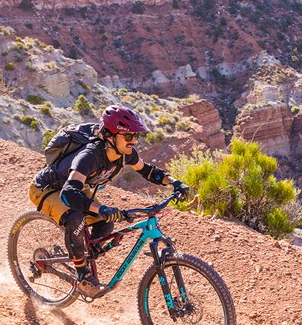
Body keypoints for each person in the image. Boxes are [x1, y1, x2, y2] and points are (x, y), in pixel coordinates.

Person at [28, 105, 189, 297]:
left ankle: (80, 254)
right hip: (48, 189)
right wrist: (100, 208)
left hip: (78, 190)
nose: (134, 141)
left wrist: (174, 182)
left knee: (106, 225)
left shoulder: (126, 154)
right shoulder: (89, 156)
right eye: (128, 136)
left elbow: (148, 171)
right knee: (75, 218)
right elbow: (68, 194)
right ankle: (82, 275)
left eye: (136, 136)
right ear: (110, 136)